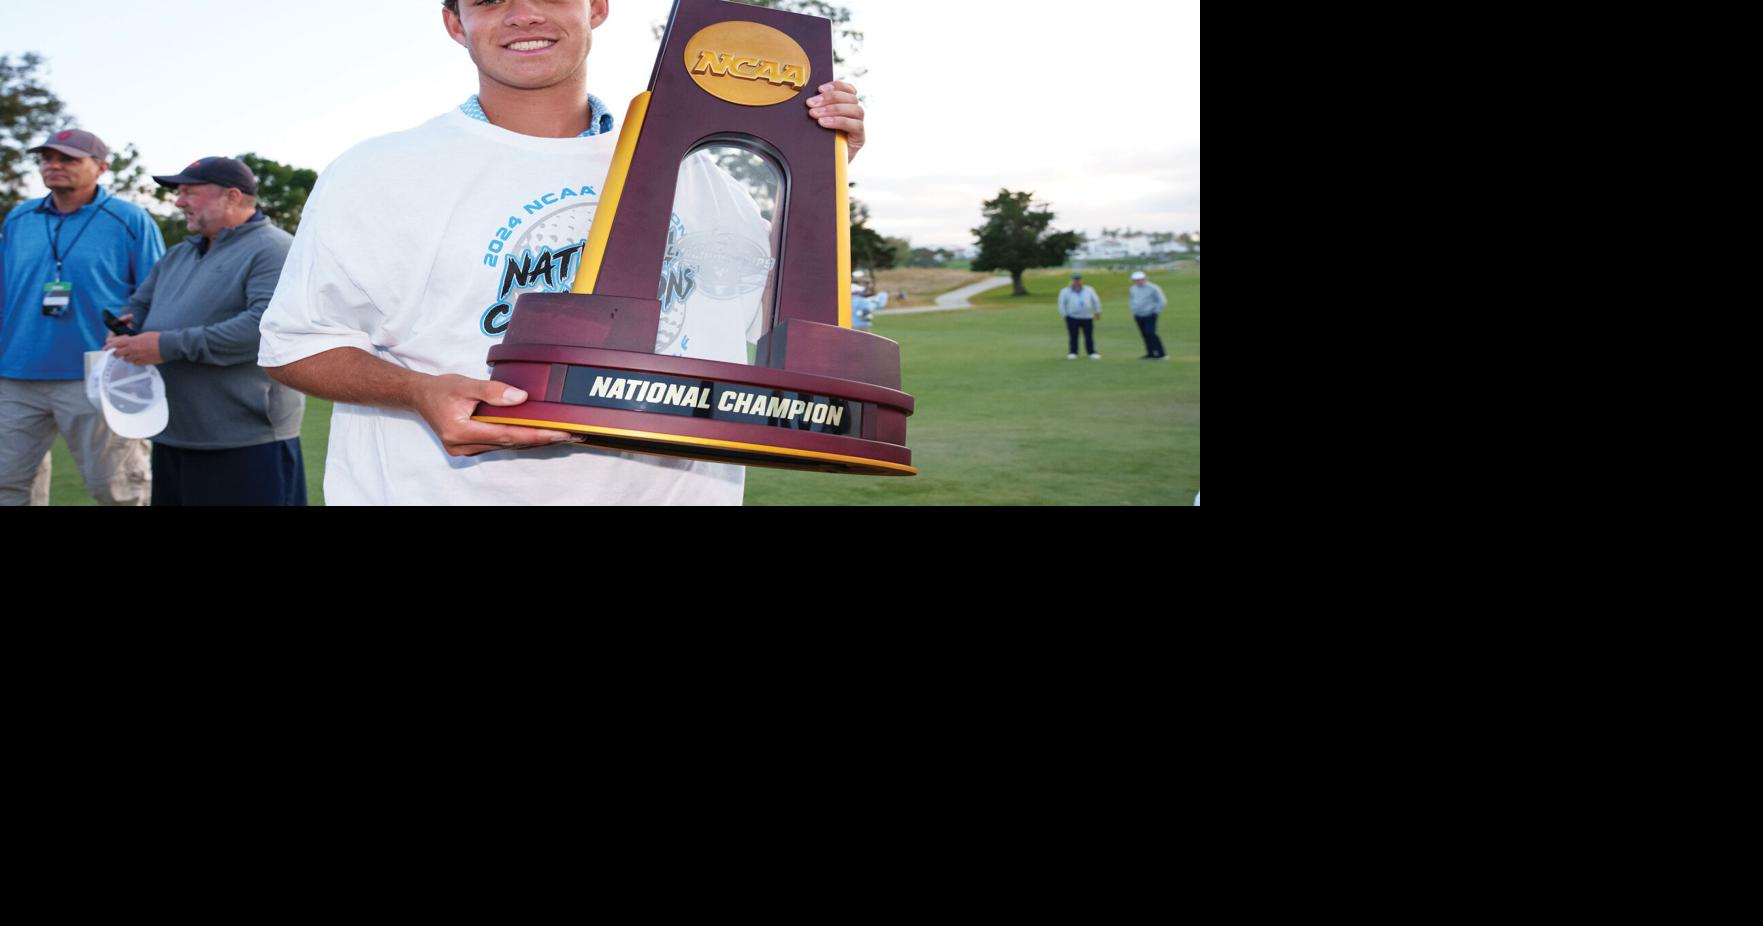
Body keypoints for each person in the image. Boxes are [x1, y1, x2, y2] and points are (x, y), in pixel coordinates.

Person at [258, 0, 867, 505]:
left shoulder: (706, 177)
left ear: (596, 7)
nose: (523, 14)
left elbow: (770, 319)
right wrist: (420, 390)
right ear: (454, 24)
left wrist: (819, 177)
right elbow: (296, 344)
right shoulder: (377, 172)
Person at [103, 157, 305, 505]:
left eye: (189, 192)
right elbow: (139, 305)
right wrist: (126, 328)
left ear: (231, 196)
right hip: (174, 433)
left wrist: (167, 345)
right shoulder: (179, 253)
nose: (179, 201)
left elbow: (262, 328)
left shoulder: (274, 249)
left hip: (246, 440)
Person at [0, 128, 164, 506]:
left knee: (120, 490)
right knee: (8, 488)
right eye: (46, 158)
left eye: (68, 159)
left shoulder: (130, 220)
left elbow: (157, 294)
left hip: (101, 373)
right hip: (16, 375)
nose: (53, 165)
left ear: (101, 167)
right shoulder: (18, 219)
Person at [1058, 272, 1101, 360]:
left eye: (1079, 280)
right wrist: (1065, 315)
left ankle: (1091, 352)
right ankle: (1073, 352)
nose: (1077, 282)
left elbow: (1096, 301)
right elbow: (1061, 304)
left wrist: (1097, 312)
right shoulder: (1065, 291)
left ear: (1082, 281)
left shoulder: (1089, 289)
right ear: (1072, 281)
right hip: (1072, 317)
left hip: (1087, 316)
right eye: (1075, 280)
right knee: (1073, 335)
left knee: (1089, 335)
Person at [1127, 271, 1167, 359]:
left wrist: (1156, 311)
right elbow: (1131, 300)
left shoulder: (1153, 288)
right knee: (1144, 334)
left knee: (1151, 333)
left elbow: (1162, 301)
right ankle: (1150, 353)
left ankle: (1161, 354)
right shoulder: (1132, 289)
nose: (1139, 282)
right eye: (1136, 280)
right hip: (1138, 315)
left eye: (1141, 280)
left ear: (1145, 279)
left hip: (1150, 314)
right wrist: (1133, 310)